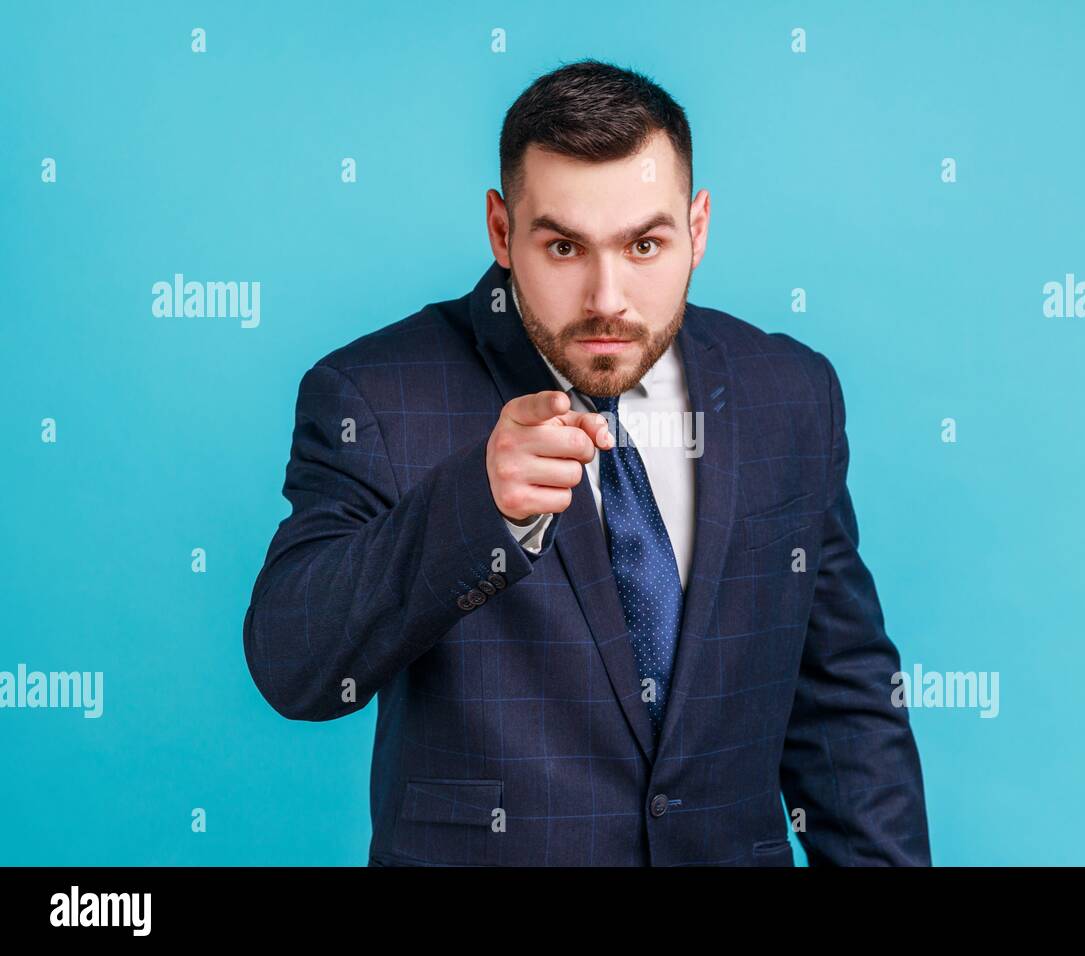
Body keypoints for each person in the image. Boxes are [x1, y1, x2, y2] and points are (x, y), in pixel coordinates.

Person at [243, 58, 931, 866]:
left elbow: (845, 706)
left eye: (645, 243)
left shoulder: (789, 391)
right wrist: (477, 507)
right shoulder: (375, 394)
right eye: (565, 246)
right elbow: (295, 668)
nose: (609, 297)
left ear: (697, 228)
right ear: (502, 231)